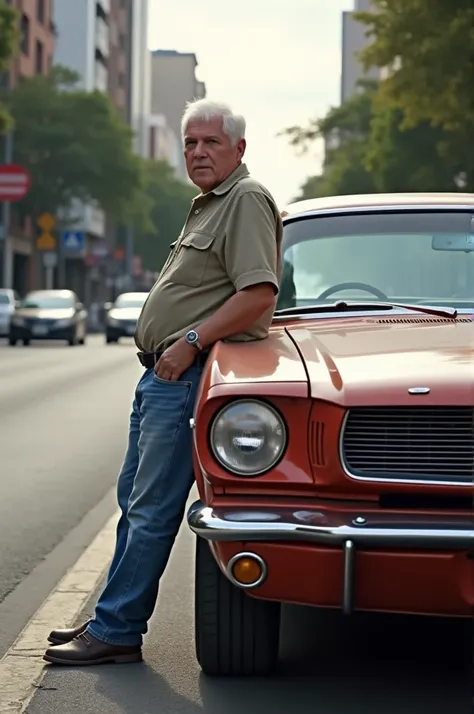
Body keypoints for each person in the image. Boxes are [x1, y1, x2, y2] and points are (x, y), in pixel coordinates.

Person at [43, 98, 283, 666]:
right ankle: (112, 617)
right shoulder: (208, 204)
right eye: (190, 143)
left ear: (239, 150)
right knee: (134, 501)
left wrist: (190, 343)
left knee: (151, 508)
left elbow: (258, 294)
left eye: (211, 143)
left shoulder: (244, 199)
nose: (198, 152)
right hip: (163, 375)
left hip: (186, 375)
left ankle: (118, 630)